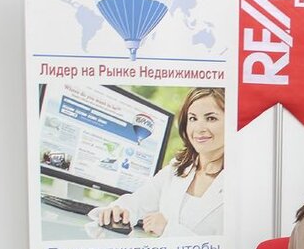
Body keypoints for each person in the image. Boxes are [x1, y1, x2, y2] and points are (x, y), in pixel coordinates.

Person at [95, 87, 226, 236]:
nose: (199, 128)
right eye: (193, 118)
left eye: (211, 118)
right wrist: (117, 210)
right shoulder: (178, 167)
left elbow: (233, 246)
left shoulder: (241, 184)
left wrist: (168, 230)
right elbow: (138, 202)